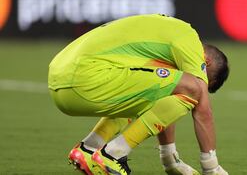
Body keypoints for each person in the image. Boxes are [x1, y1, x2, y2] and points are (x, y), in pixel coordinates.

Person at [48, 14, 230, 175]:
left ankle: (89, 148)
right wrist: (211, 168)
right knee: (193, 88)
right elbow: (203, 109)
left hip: (60, 80)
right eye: (206, 80)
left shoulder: (164, 37)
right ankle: (113, 155)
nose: (203, 85)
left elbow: (162, 95)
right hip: (85, 78)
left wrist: (169, 160)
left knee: (163, 87)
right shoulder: (188, 38)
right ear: (205, 62)